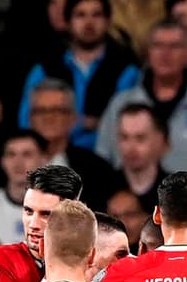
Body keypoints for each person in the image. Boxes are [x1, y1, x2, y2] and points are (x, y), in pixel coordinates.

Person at [95, 22, 187, 174]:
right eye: (158, 46)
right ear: (148, 52)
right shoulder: (121, 103)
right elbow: (103, 158)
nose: (165, 54)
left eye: (174, 46)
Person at [19, 78, 119, 207]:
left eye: (57, 110)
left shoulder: (97, 170)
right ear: (30, 119)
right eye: (41, 111)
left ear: (72, 118)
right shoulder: (12, 165)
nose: (48, 118)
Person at [109, 103, 171, 213]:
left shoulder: (175, 194)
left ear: (159, 140)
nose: (131, 148)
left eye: (140, 138)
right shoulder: (102, 190)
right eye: (124, 137)